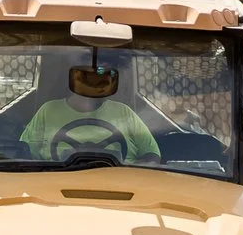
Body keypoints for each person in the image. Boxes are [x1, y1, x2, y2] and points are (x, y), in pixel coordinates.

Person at [19, 57, 162, 164]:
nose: (99, 80)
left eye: (106, 74)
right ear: (76, 77)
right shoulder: (48, 111)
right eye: (93, 74)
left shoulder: (124, 112)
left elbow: (152, 155)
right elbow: (23, 154)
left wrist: (128, 175)